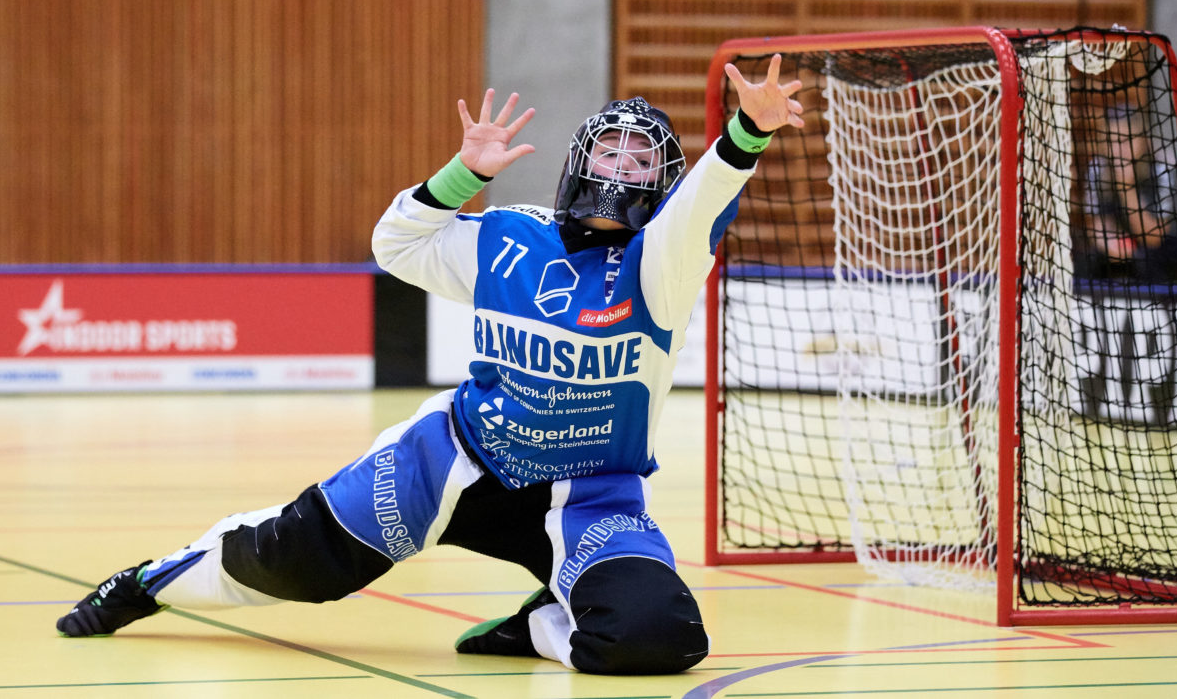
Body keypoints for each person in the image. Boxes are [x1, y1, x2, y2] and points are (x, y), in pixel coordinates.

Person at [55, 55, 805, 675]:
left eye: (644, 156)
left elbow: (707, 198)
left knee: (662, 639)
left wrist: (748, 132)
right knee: (291, 562)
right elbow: (398, 246)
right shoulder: (508, 237)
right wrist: (458, 176)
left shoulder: (661, 268)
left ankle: (545, 619)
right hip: (451, 463)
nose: (624, 162)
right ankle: (146, 582)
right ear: (580, 162)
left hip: (588, 497)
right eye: (610, 147)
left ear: (661, 183)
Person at [1078, 104, 1177, 283]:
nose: (1120, 149)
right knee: (1084, 261)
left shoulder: (1162, 169)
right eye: (1112, 141)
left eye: (1127, 140)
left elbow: (1153, 238)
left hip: (1176, 244)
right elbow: (1096, 223)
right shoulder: (1098, 168)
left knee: (1148, 258)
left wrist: (1126, 187)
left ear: (1143, 140)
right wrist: (1108, 242)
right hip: (1131, 246)